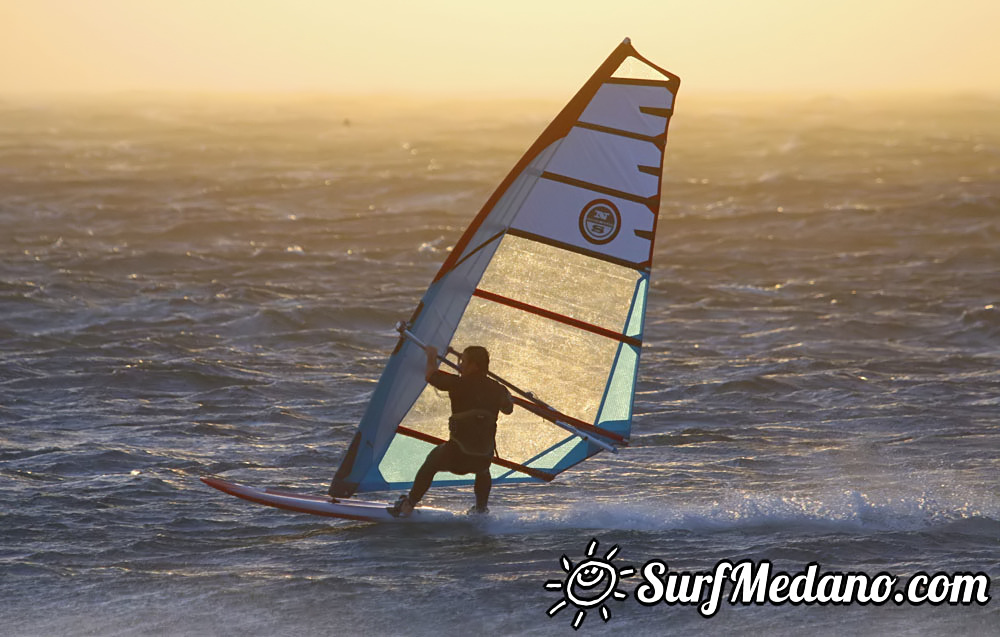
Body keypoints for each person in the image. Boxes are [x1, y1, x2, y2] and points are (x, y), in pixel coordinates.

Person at [390, 344, 513, 517]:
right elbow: (508, 409)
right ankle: (481, 509)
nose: (460, 365)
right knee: (484, 469)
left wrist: (431, 356)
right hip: (482, 458)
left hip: (457, 456)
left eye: (463, 361)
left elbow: (431, 376)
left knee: (431, 462)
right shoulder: (498, 389)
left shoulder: (458, 383)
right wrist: (508, 396)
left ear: (474, 365)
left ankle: (409, 504)